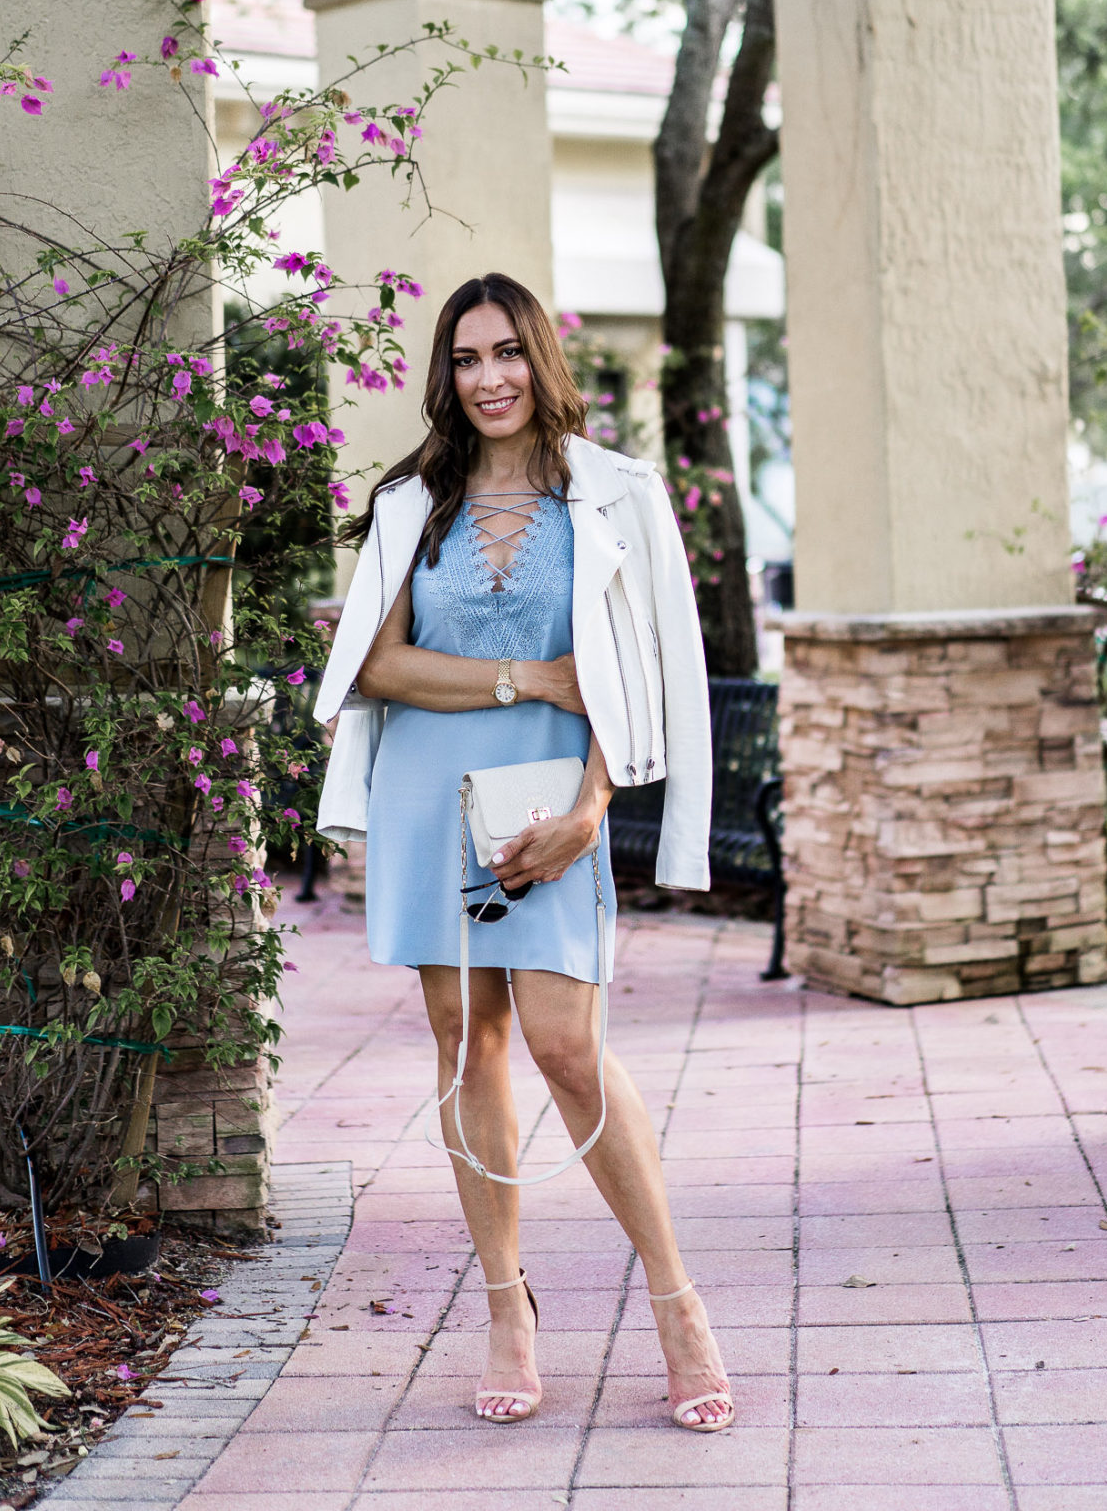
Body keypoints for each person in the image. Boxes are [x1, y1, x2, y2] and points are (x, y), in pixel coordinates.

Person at [313, 272, 733, 1431]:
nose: (487, 377)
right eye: (463, 358)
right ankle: (506, 1305)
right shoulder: (417, 501)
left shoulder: (613, 494)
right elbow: (376, 666)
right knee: (467, 1045)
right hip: (423, 794)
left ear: (540, 359)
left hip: (550, 799)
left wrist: (593, 809)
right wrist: (523, 677)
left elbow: (635, 669)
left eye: (505, 352)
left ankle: (676, 1298)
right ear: (444, 376)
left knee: (568, 1044)